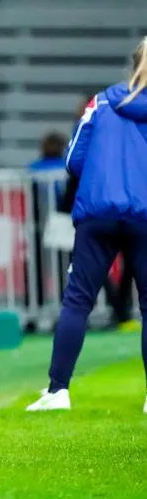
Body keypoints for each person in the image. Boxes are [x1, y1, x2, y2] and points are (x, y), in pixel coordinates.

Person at [27, 38, 147, 412]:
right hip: (144, 214)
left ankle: (58, 391)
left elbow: (73, 160)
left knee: (78, 300)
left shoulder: (102, 102)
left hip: (98, 212)